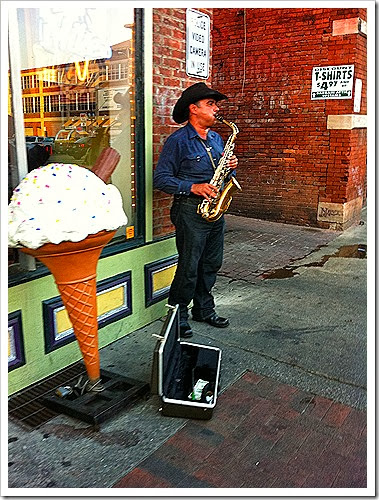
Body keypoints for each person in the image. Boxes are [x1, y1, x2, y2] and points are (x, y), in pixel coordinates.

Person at [154, 82, 238, 338]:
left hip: (215, 210)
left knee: (211, 263)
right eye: (211, 104)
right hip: (190, 210)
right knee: (189, 266)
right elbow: (161, 179)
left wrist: (232, 166)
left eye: (216, 104)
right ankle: (177, 316)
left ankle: (204, 309)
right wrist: (193, 187)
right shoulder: (177, 141)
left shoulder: (217, 138)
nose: (216, 109)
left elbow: (224, 174)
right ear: (194, 108)